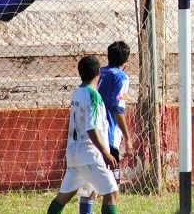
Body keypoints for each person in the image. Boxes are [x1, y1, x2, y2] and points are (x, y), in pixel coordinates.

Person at [47, 56, 120, 214]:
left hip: (74, 155)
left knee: (63, 198)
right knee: (111, 193)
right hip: (90, 155)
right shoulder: (93, 95)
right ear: (98, 73)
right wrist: (105, 153)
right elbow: (91, 128)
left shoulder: (77, 93)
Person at [78, 42, 134, 214]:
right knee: (112, 191)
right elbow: (118, 109)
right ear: (127, 60)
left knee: (90, 188)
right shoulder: (122, 78)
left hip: (89, 136)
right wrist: (128, 137)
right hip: (108, 138)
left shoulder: (97, 73)